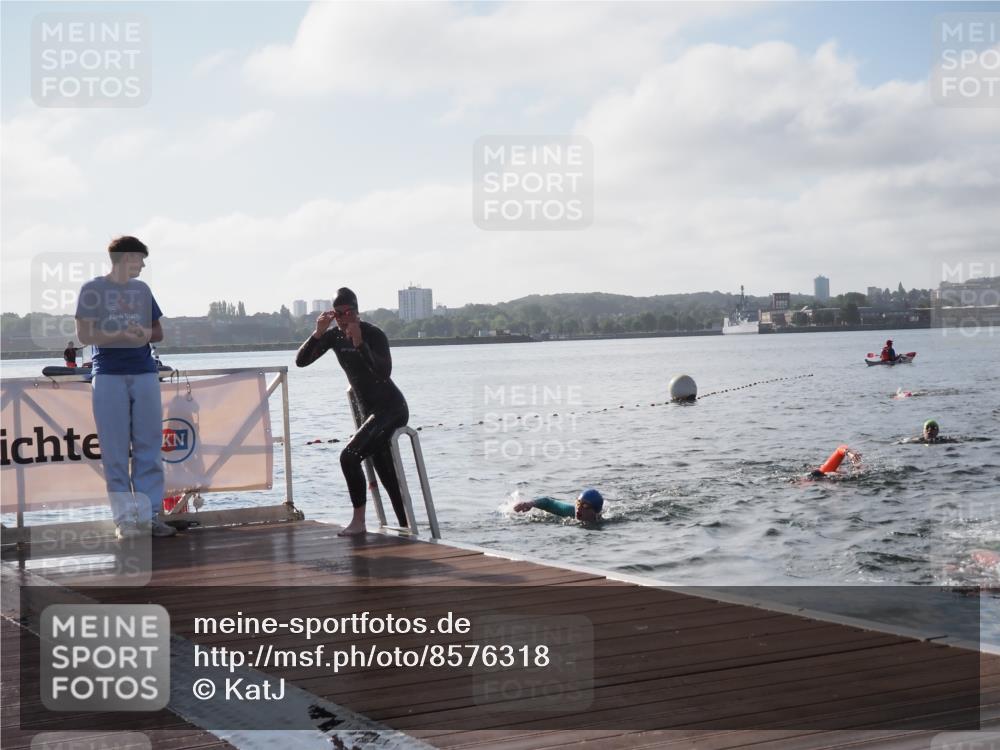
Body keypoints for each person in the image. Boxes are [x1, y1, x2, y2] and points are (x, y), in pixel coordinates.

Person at [75, 236, 175, 539]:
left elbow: (157, 332)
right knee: (115, 451)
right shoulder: (92, 290)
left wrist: (141, 333)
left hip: (144, 373)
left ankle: (150, 516)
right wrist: (121, 333)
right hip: (108, 375)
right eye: (139, 259)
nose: (143, 265)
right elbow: (83, 334)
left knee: (148, 448)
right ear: (125, 258)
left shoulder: (142, 290)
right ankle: (125, 521)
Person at [295, 287, 409, 536]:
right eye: (338, 314)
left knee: (349, 457)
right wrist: (317, 334)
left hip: (392, 407)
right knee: (385, 471)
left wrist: (360, 344)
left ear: (357, 312)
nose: (344, 318)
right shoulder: (333, 337)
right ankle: (406, 528)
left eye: (348, 312)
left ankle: (359, 523)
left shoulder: (373, 333)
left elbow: (383, 373)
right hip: (370, 413)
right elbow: (301, 361)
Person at [514, 488, 604, 523]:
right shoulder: (570, 512)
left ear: (595, 510)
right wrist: (530, 504)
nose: (578, 508)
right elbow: (548, 502)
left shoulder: (604, 524)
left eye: (584, 505)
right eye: (578, 503)